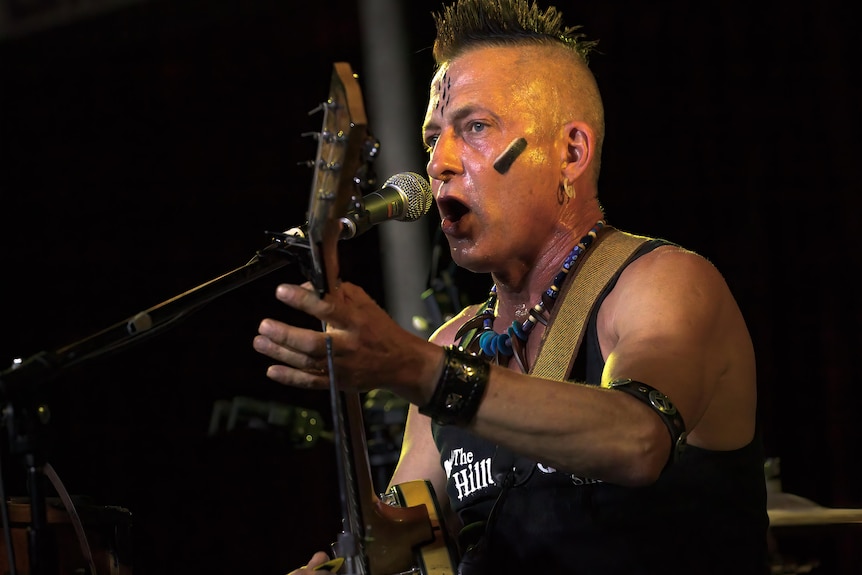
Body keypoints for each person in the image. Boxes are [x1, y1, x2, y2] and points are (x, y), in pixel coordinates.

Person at [252, 0, 770, 573]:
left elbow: (638, 440)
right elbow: (408, 531)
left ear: (571, 152)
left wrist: (416, 369)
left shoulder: (664, 282)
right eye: (432, 139)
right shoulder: (456, 342)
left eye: (474, 128)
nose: (440, 162)